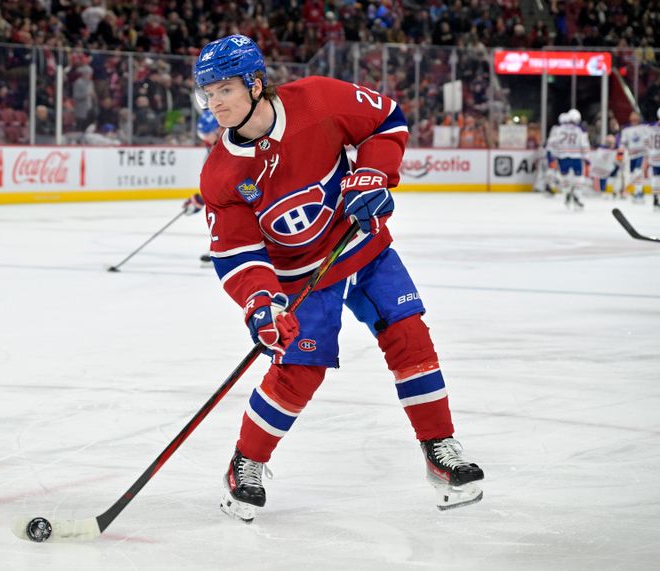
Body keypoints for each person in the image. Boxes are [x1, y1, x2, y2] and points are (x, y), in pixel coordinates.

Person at [194, 34, 484, 523]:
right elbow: (238, 253)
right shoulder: (221, 175)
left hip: (360, 243)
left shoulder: (319, 100)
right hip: (298, 275)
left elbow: (386, 119)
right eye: (209, 92)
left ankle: (439, 450)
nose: (215, 102)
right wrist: (262, 304)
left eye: (225, 89)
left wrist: (373, 175)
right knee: (300, 370)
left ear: (255, 83)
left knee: (409, 335)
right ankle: (246, 462)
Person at [182, 109, 223, 263]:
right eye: (203, 135)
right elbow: (215, 182)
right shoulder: (213, 148)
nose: (205, 139)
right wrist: (200, 198)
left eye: (208, 133)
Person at [547, 108, 589, 209]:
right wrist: (587, 157)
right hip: (576, 157)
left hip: (563, 157)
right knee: (579, 178)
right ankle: (576, 196)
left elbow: (552, 143)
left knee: (564, 177)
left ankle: (567, 193)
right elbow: (584, 144)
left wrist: (552, 155)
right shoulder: (579, 130)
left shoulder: (559, 129)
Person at [618, 111, 650, 202]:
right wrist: (620, 155)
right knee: (633, 174)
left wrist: (648, 152)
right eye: (632, 116)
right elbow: (623, 143)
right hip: (631, 155)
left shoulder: (644, 128)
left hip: (641, 154)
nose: (634, 118)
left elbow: (648, 140)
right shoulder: (626, 129)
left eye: (636, 116)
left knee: (638, 172)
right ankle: (637, 192)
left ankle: (639, 192)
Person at [646, 108, 660, 210]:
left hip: (654, 156)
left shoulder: (650, 128)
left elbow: (646, 143)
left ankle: (655, 198)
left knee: (656, 178)